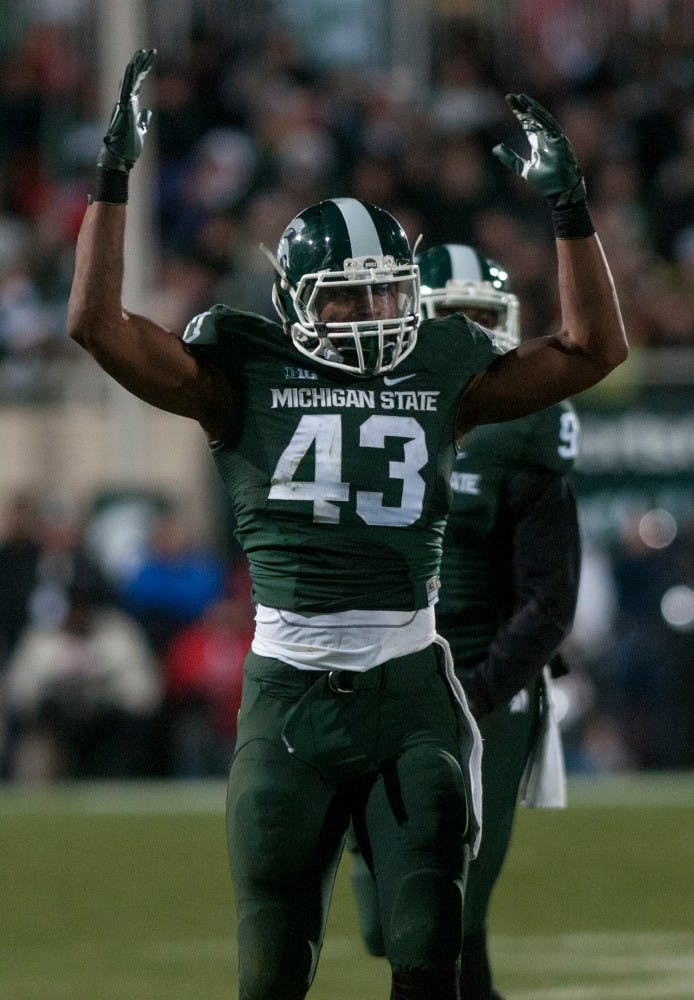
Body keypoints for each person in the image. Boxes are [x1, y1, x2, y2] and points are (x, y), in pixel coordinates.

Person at [66, 50, 626, 1000]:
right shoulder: (237, 372)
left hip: (410, 693)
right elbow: (95, 323)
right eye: (346, 297)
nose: (373, 314)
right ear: (291, 303)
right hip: (287, 694)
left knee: (426, 950)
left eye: (386, 292)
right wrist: (112, 182)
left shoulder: (444, 367)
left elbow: (593, 347)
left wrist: (572, 213)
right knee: (271, 964)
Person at [347, 244, 582, 1000]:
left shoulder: (527, 425)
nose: (477, 336)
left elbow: (550, 596)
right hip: (386, 678)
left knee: (453, 905)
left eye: (487, 318)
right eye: (459, 318)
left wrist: (477, 690)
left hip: (485, 684)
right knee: (388, 925)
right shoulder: (366, 404)